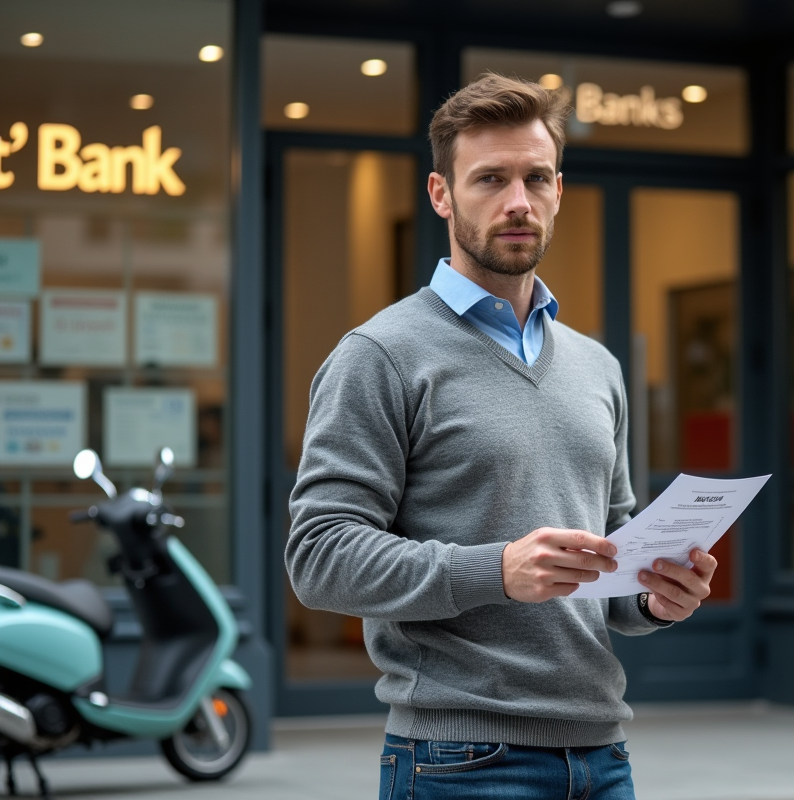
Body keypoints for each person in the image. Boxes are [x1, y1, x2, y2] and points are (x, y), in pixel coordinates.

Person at [286, 73, 718, 799]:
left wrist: (653, 595)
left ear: (558, 190)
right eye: (490, 179)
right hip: (459, 763)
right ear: (441, 194)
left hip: (602, 756)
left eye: (535, 177)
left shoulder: (596, 366)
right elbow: (318, 555)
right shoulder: (381, 355)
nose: (518, 201)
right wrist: (496, 569)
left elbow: (609, 552)